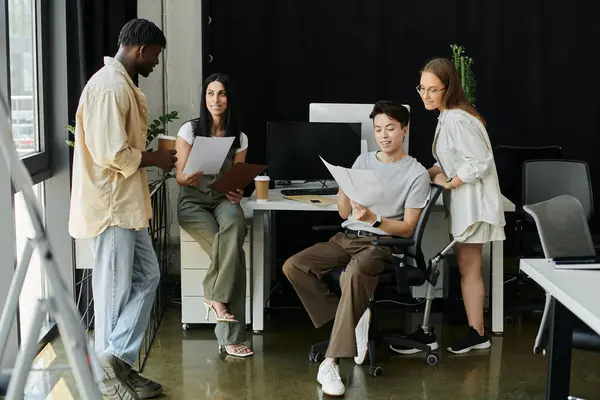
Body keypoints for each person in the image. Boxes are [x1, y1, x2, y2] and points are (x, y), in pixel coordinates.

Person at [282, 101, 431, 397]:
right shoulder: (363, 161)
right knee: (294, 266)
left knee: (354, 275)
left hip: (383, 244)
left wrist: (375, 218)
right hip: (348, 237)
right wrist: (343, 189)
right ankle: (354, 315)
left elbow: (408, 228)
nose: (384, 135)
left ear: (405, 130)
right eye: (378, 129)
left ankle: (331, 362)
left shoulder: (416, 174)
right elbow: (342, 213)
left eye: (390, 128)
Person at [68, 19, 175, 399]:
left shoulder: (120, 85)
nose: (156, 65)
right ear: (141, 50)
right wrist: (157, 159)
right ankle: (109, 383)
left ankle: (117, 362)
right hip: (111, 207)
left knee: (148, 277)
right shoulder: (109, 87)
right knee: (113, 294)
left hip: (126, 206)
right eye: (156, 57)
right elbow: (110, 152)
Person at [393, 57, 505, 355]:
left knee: (469, 269)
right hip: (467, 205)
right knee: (468, 268)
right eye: (422, 88)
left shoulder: (457, 118)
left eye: (433, 90)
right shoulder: (449, 116)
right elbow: (451, 158)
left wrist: (450, 181)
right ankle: (475, 331)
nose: (426, 96)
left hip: (474, 205)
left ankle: (478, 333)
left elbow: (479, 163)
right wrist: (427, 172)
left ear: (448, 88)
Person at [175, 73, 252, 358]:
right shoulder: (190, 131)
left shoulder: (240, 137)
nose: (215, 100)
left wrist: (237, 190)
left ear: (229, 99)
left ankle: (213, 296)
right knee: (234, 253)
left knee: (235, 221)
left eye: (221, 94)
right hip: (193, 202)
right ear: (204, 98)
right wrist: (188, 177)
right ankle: (231, 338)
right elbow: (179, 177)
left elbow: (238, 177)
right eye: (210, 93)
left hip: (222, 199)